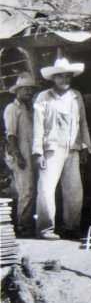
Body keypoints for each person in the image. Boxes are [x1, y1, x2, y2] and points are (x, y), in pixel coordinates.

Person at [32, 58, 91, 240]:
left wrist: (84, 147)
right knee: (46, 189)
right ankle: (45, 229)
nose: (65, 80)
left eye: (68, 77)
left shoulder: (76, 96)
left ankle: (72, 227)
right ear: (54, 78)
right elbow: (38, 125)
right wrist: (38, 151)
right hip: (51, 149)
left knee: (74, 190)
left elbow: (82, 123)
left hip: (72, 149)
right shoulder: (43, 97)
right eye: (61, 77)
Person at [3, 72, 39, 237]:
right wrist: (17, 155)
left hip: (31, 152)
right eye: (25, 90)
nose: (29, 93)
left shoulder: (29, 109)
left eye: (31, 90)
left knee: (33, 190)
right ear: (17, 91)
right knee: (26, 190)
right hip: (21, 152)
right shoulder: (12, 109)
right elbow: (11, 134)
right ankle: (23, 227)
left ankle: (30, 224)